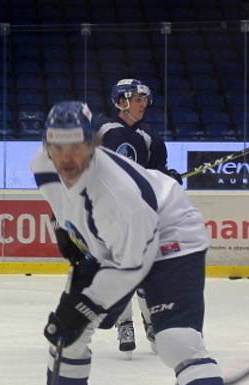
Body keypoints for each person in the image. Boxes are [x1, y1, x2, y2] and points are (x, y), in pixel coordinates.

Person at [25, 100, 249, 385]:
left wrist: (84, 305)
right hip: (121, 242)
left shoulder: (119, 193)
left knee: (176, 340)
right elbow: (67, 208)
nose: (67, 158)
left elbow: (131, 267)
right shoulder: (41, 165)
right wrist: (71, 239)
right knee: (67, 339)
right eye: (57, 147)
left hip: (170, 234)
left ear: (93, 144)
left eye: (76, 147)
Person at [94, 78, 183, 356]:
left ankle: (152, 322)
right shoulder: (103, 131)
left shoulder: (151, 138)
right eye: (137, 98)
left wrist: (169, 178)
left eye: (145, 99)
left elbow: (156, 174)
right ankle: (125, 323)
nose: (143, 104)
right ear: (122, 101)